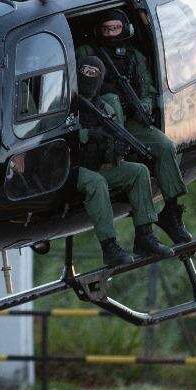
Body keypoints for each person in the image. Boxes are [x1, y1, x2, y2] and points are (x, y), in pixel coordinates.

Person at [80, 9, 193, 245]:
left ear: (126, 29)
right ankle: (143, 229)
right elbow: (80, 88)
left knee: (164, 146)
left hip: (131, 122)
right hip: (102, 122)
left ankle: (171, 211)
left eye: (115, 29)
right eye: (106, 30)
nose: (110, 34)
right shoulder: (89, 53)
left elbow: (149, 90)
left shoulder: (134, 57)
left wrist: (142, 107)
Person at [73, 56, 172, 268]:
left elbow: (108, 154)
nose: (88, 77)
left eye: (94, 74)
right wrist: (88, 134)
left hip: (95, 166)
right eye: (85, 72)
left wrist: (116, 151)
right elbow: (55, 138)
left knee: (138, 171)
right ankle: (109, 248)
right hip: (68, 169)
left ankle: (145, 236)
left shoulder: (105, 110)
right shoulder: (65, 104)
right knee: (96, 182)